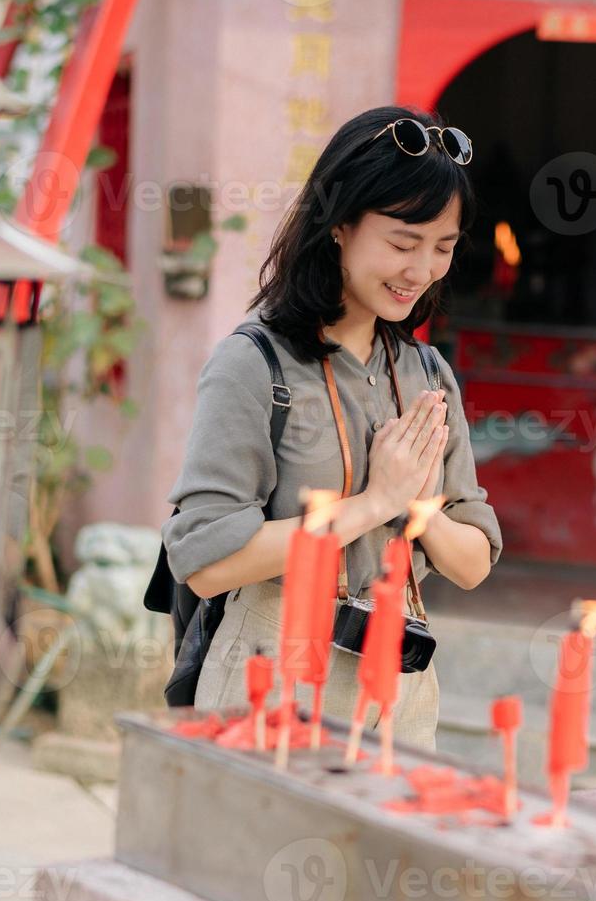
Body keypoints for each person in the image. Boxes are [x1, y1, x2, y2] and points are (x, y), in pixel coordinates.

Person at [161, 106, 501, 749]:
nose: (421, 269)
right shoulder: (254, 364)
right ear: (340, 225)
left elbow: (474, 563)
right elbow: (207, 561)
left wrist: (420, 510)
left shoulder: (427, 375)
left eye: (443, 248)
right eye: (403, 243)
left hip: (399, 689)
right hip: (270, 677)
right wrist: (374, 504)